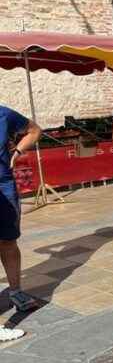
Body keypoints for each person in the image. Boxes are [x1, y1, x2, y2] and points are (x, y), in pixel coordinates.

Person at [0, 105, 42, 338]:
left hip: (3, 185)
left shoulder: (4, 114)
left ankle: (15, 291)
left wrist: (16, 153)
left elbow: (34, 130)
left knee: (8, 240)